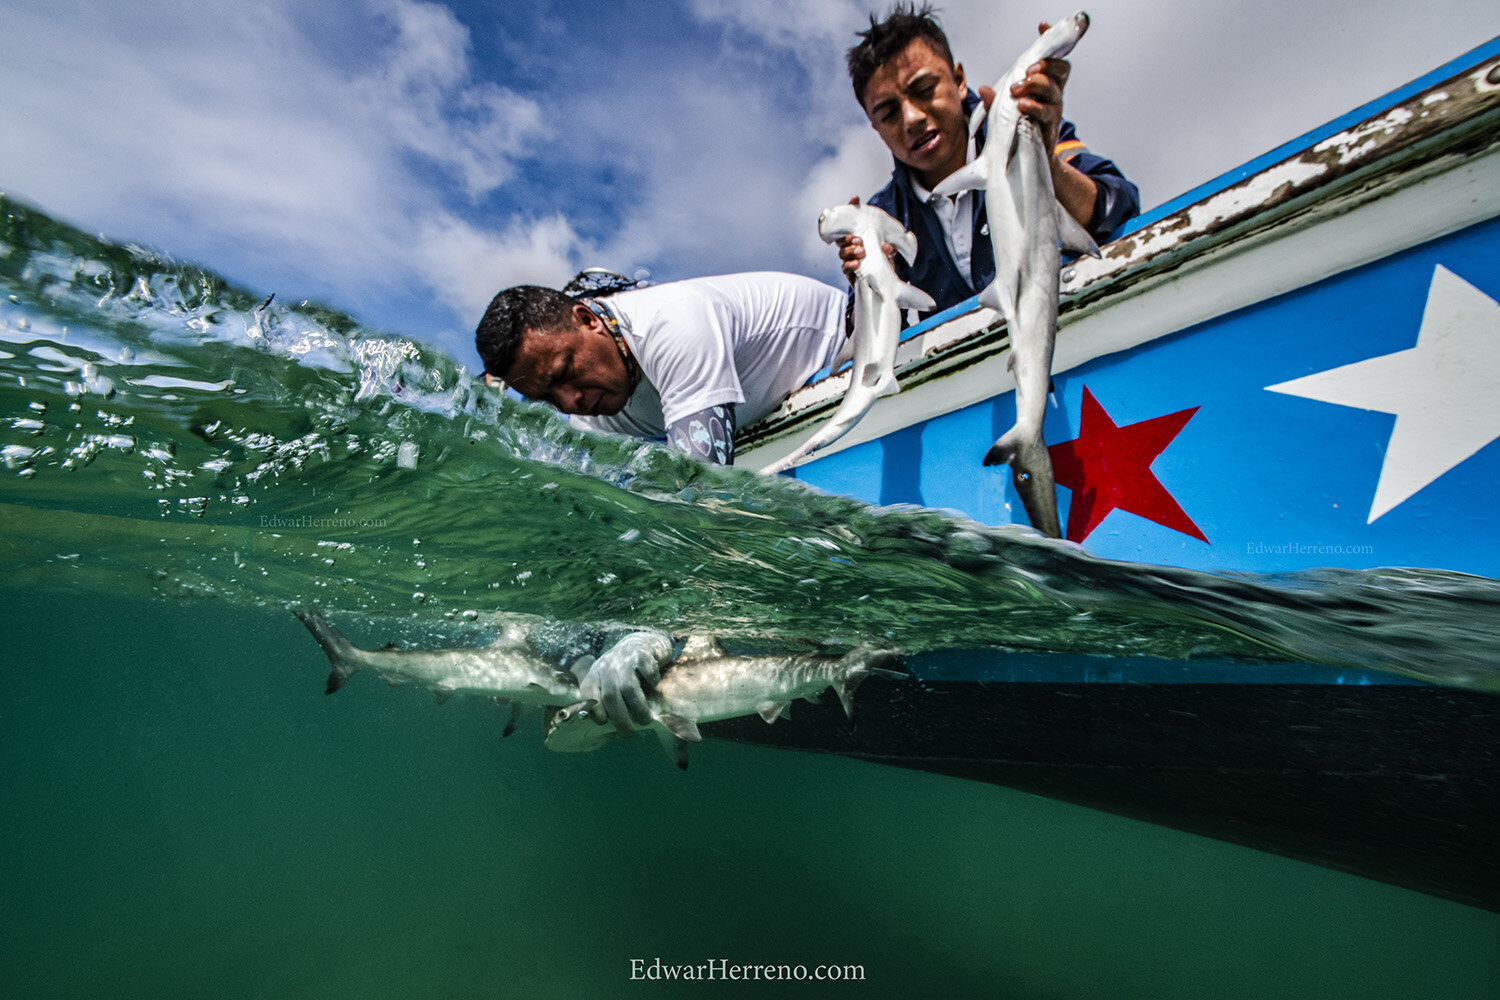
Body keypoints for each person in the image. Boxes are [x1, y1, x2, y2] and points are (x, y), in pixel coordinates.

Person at [839, 4, 1140, 314]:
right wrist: (870, 284)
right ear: (875, 128)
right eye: (889, 114)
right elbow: (872, 336)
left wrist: (1044, 162)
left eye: (925, 89)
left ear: (958, 80)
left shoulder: (1029, 126)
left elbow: (1119, 206)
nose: (912, 118)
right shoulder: (884, 216)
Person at [475, 270, 847, 467]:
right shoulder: (588, 415)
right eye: (548, 398)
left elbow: (704, 494)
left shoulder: (674, 322)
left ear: (588, 318)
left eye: (562, 373)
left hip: (847, 348)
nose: (571, 401)